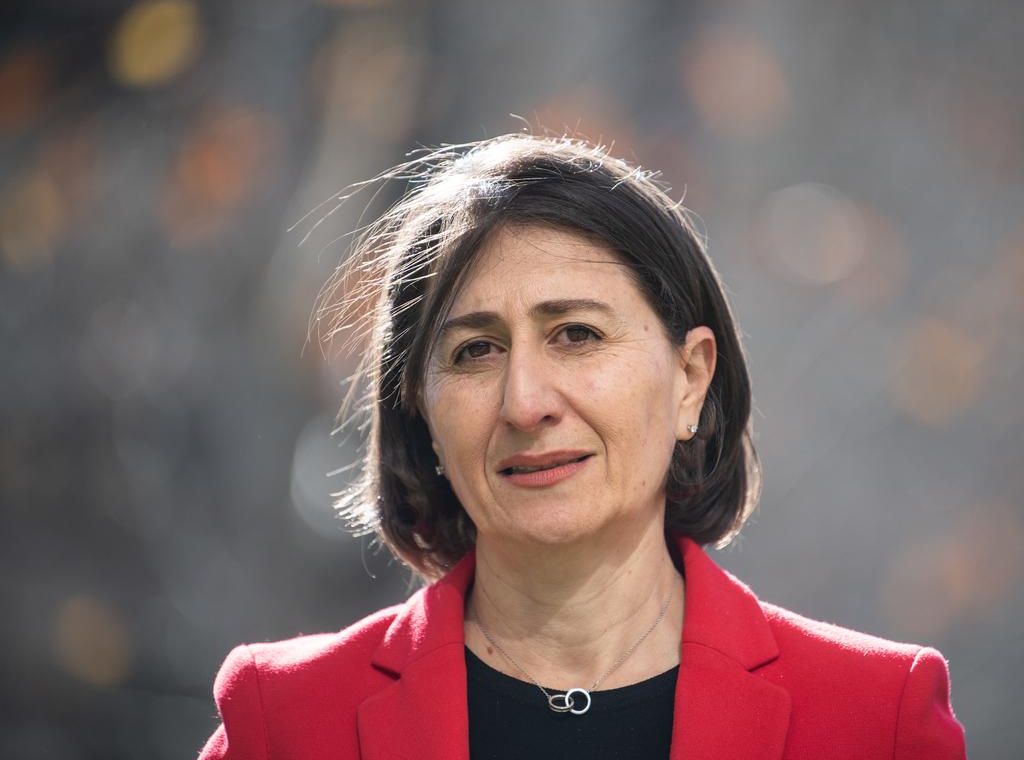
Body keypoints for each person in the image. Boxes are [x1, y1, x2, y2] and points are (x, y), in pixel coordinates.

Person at [198, 134, 966, 759]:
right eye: (474, 352)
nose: (526, 403)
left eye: (577, 335)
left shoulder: (877, 716)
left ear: (691, 378)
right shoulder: (287, 718)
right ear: (420, 412)